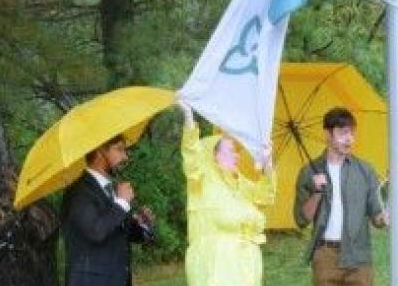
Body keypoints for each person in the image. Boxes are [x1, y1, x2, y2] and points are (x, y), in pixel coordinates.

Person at [178, 100, 276, 286]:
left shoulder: (240, 183)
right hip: (215, 265)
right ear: (215, 155)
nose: (238, 155)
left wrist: (267, 166)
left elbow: (265, 196)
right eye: (231, 151)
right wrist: (189, 120)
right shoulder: (201, 179)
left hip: (246, 265)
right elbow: (191, 156)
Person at [293, 107, 389, 286]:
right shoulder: (309, 172)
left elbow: (376, 214)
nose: (349, 139)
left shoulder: (365, 170)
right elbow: (301, 219)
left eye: (352, 133)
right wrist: (317, 192)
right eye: (343, 133)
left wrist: (383, 217)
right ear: (328, 134)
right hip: (325, 257)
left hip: (358, 258)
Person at [61, 134, 155, 286]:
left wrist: (142, 224)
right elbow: (96, 231)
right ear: (100, 151)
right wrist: (122, 203)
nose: (125, 157)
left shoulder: (111, 190)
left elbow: (116, 233)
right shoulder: (78, 192)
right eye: (119, 150)